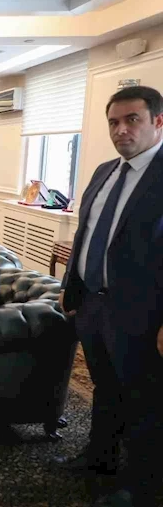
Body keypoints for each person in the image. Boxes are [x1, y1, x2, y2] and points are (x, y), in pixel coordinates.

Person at [51, 85, 163, 507]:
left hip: (143, 313)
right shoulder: (103, 172)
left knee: (144, 399)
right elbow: (85, 234)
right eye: (114, 122)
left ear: (158, 122)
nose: (121, 130)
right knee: (105, 387)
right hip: (93, 305)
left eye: (132, 120)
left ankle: (139, 485)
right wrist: (71, 287)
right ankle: (100, 459)